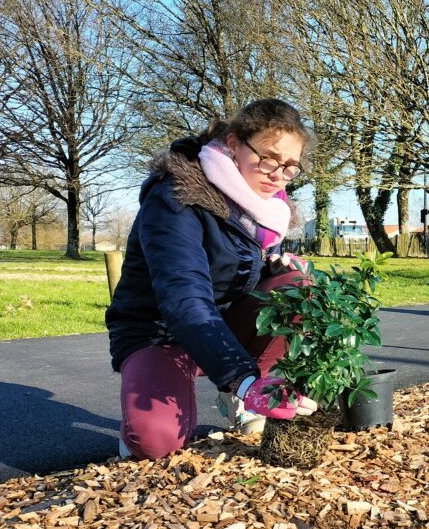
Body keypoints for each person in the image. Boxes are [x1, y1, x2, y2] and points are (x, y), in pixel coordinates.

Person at [105, 98, 318, 460]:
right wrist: (243, 377)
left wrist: (274, 268)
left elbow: (230, 268)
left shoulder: (265, 210)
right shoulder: (175, 197)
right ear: (233, 145)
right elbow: (183, 297)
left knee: (298, 290)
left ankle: (240, 399)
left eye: (290, 167)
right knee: (156, 444)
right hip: (159, 331)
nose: (277, 175)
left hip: (218, 324)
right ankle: (238, 387)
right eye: (268, 158)